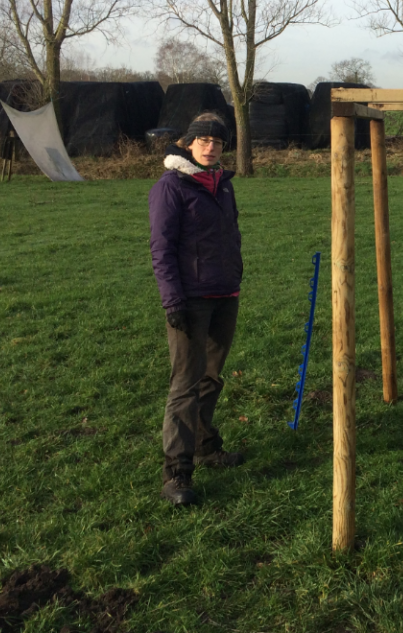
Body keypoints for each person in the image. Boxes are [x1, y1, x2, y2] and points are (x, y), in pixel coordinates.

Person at [149, 112, 244, 506]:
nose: (211, 147)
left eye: (217, 142)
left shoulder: (223, 184)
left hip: (225, 295)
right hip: (189, 300)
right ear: (188, 144)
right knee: (185, 385)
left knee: (211, 377)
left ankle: (205, 446)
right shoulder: (171, 187)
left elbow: (230, 234)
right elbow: (162, 249)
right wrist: (172, 300)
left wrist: (235, 276)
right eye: (203, 141)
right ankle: (176, 473)